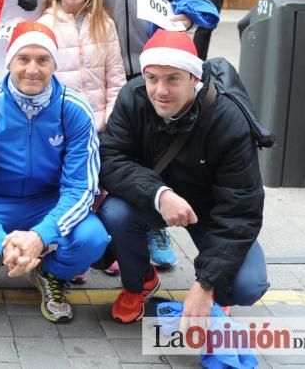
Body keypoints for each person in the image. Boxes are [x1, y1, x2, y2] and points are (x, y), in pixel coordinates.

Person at [78, 0, 204, 269]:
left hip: (152, 69)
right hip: (102, 66)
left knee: (155, 152)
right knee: (105, 152)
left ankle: (155, 228)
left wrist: (183, 17)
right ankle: (102, 231)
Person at [0, 21, 109, 323]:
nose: (32, 69)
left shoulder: (75, 109)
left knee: (93, 238)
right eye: (23, 59)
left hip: (48, 202)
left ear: (55, 63)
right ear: (9, 62)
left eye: (43, 60)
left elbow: (82, 188)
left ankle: (51, 274)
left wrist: (41, 237)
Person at [97, 30, 269, 324]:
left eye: (173, 78)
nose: (160, 90)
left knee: (247, 285)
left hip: (211, 208)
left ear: (194, 78)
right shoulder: (133, 97)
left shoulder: (229, 119)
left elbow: (242, 209)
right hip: (156, 198)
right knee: (115, 212)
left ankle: (214, 298)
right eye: (152, 78)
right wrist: (160, 194)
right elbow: (110, 159)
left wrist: (206, 284)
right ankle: (139, 283)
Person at [38, 0, 125, 132]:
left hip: (100, 125)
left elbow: (115, 77)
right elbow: (41, 82)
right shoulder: (44, 26)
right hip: (60, 124)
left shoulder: (104, 23)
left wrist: (111, 120)